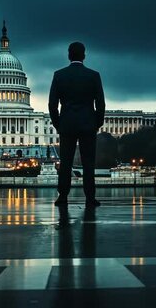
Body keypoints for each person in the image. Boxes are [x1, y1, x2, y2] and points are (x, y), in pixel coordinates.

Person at [48, 42, 105, 207]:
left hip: (67, 124)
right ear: (84, 55)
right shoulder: (94, 75)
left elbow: (52, 104)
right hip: (88, 124)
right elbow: (100, 104)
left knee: (65, 162)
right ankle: (90, 197)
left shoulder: (59, 75)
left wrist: (58, 124)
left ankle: (63, 196)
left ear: (68, 55)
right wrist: (97, 123)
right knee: (88, 163)